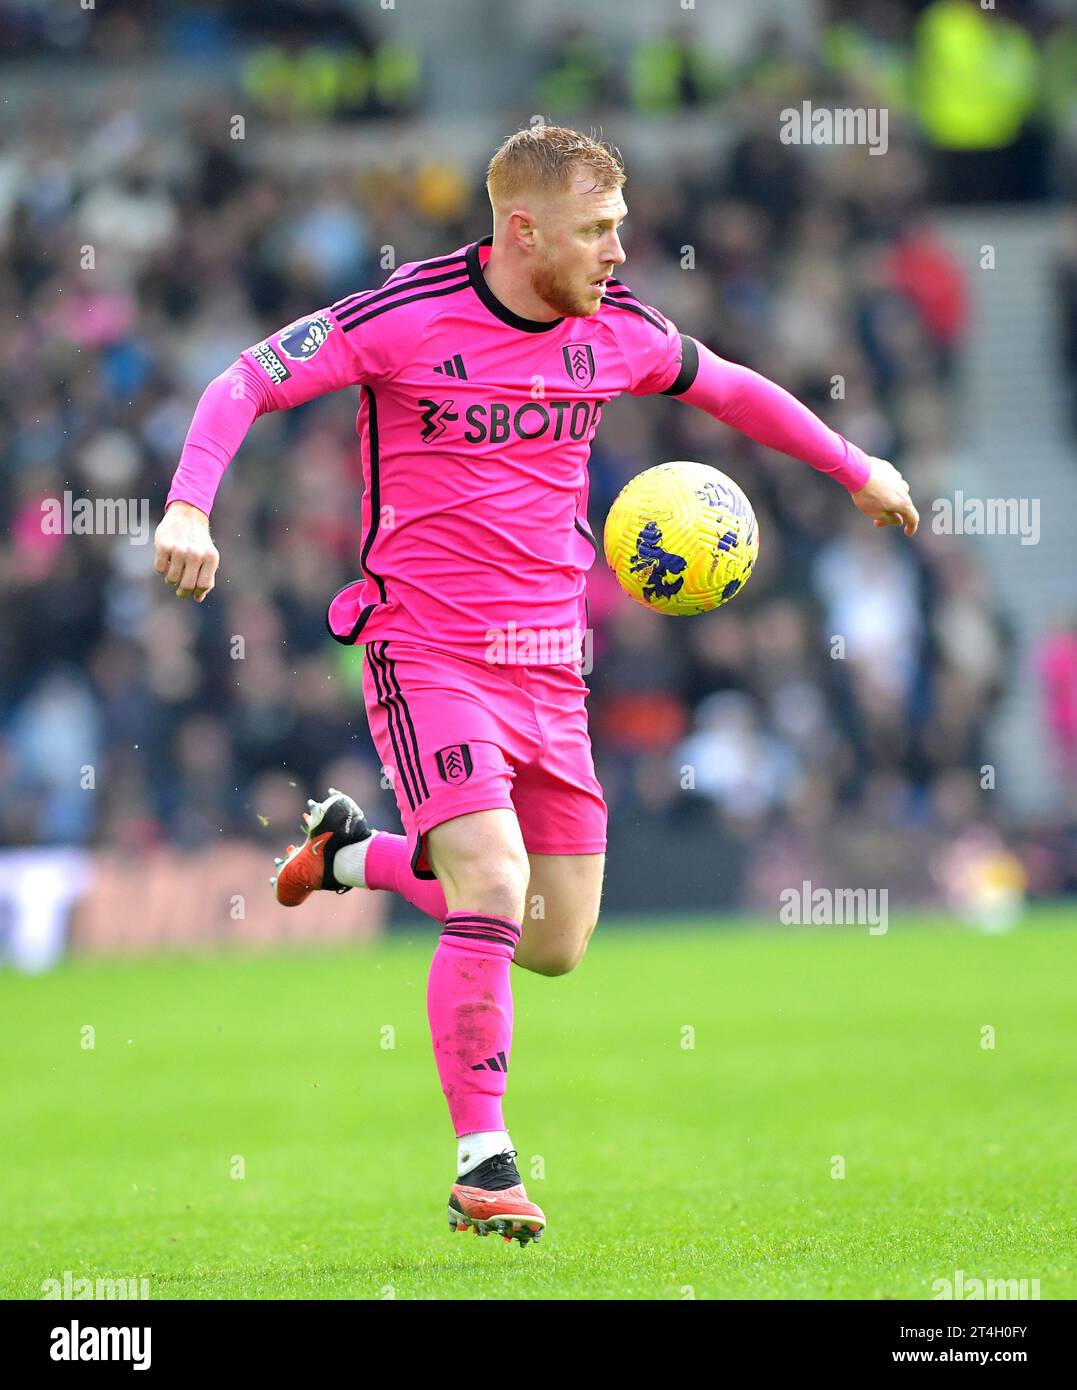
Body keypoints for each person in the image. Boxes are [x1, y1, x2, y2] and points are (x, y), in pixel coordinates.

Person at [154, 124, 918, 1245]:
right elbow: (246, 379)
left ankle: (351, 856)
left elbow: (733, 389)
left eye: (620, 227)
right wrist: (187, 502)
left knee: (554, 941)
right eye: (599, 230)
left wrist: (856, 467)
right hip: (426, 652)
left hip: (553, 668)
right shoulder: (404, 316)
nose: (620, 250)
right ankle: (484, 1162)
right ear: (524, 229)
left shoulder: (616, 332)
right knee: (495, 879)